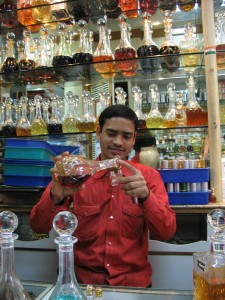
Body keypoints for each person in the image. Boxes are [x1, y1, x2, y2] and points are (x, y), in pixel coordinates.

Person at [30, 104, 176, 288]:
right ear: (98, 133)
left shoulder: (148, 177)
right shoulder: (77, 173)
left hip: (132, 285)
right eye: (111, 133)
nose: (118, 142)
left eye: (126, 136)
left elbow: (167, 232)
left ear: (134, 140)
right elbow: (37, 226)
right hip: (81, 284)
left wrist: (146, 197)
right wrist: (55, 196)